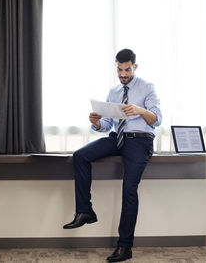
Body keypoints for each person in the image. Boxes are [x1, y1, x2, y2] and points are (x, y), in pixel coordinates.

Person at [63, 48, 162, 262]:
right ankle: (85, 211)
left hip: (140, 141)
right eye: (119, 70)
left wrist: (140, 110)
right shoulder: (114, 91)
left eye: (127, 69)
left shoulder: (147, 87)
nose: (123, 74)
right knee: (80, 156)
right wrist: (97, 122)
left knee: (128, 190)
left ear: (135, 67)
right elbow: (108, 124)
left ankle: (124, 247)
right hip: (118, 138)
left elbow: (156, 119)